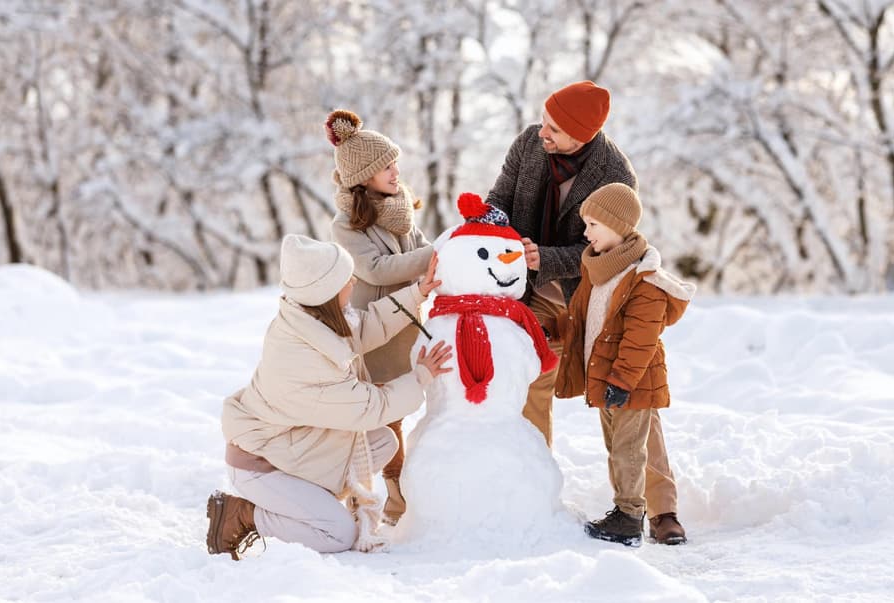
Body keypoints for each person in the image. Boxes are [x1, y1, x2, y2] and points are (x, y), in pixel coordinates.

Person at [205, 234, 451, 559]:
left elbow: (366, 328)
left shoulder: (314, 321)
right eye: (344, 279)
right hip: (263, 466)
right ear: (325, 293)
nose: (352, 281)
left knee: (382, 443)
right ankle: (243, 514)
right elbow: (369, 408)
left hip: (296, 447)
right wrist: (420, 377)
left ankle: (315, 504)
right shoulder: (302, 360)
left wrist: (417, 292)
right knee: (337, 533)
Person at [485, 80, 635, 448]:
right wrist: (485, 222)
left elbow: (607, 252)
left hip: (587, 296)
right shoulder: (529, 143)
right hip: (532, 290)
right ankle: (534, 479)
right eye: (544, 120)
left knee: (621, 394)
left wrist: (547, 257)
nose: (543, 132)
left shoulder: (615, 176)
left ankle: (649, 498)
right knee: (530, 380)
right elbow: (500, 197)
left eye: (554, 128)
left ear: (582, 137)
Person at [546, 183, 695, 546]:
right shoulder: (599, 272)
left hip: (630, 382)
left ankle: (629, 517)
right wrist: (551, 327)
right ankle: (626, 510)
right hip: (606, 378)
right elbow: (583, 321)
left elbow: (640, 339)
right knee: (618, 448)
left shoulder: (645, 281)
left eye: (593, 224)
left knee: (629, 449)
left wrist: (623, 380)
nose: (586, 233)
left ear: (617, 225)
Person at [325, 109, 434, 525]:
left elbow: (419, 250)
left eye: (395, 163)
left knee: (407, 410)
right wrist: (435, 256)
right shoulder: (346, 225)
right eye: (386, 166)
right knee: (387, 418)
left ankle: (406, 493)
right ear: (364, 174)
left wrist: (438, 259)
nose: (395, 172)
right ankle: (391, 497)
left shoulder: (399, 209)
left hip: (409, 322)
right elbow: (378, 270)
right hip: (376, 330)